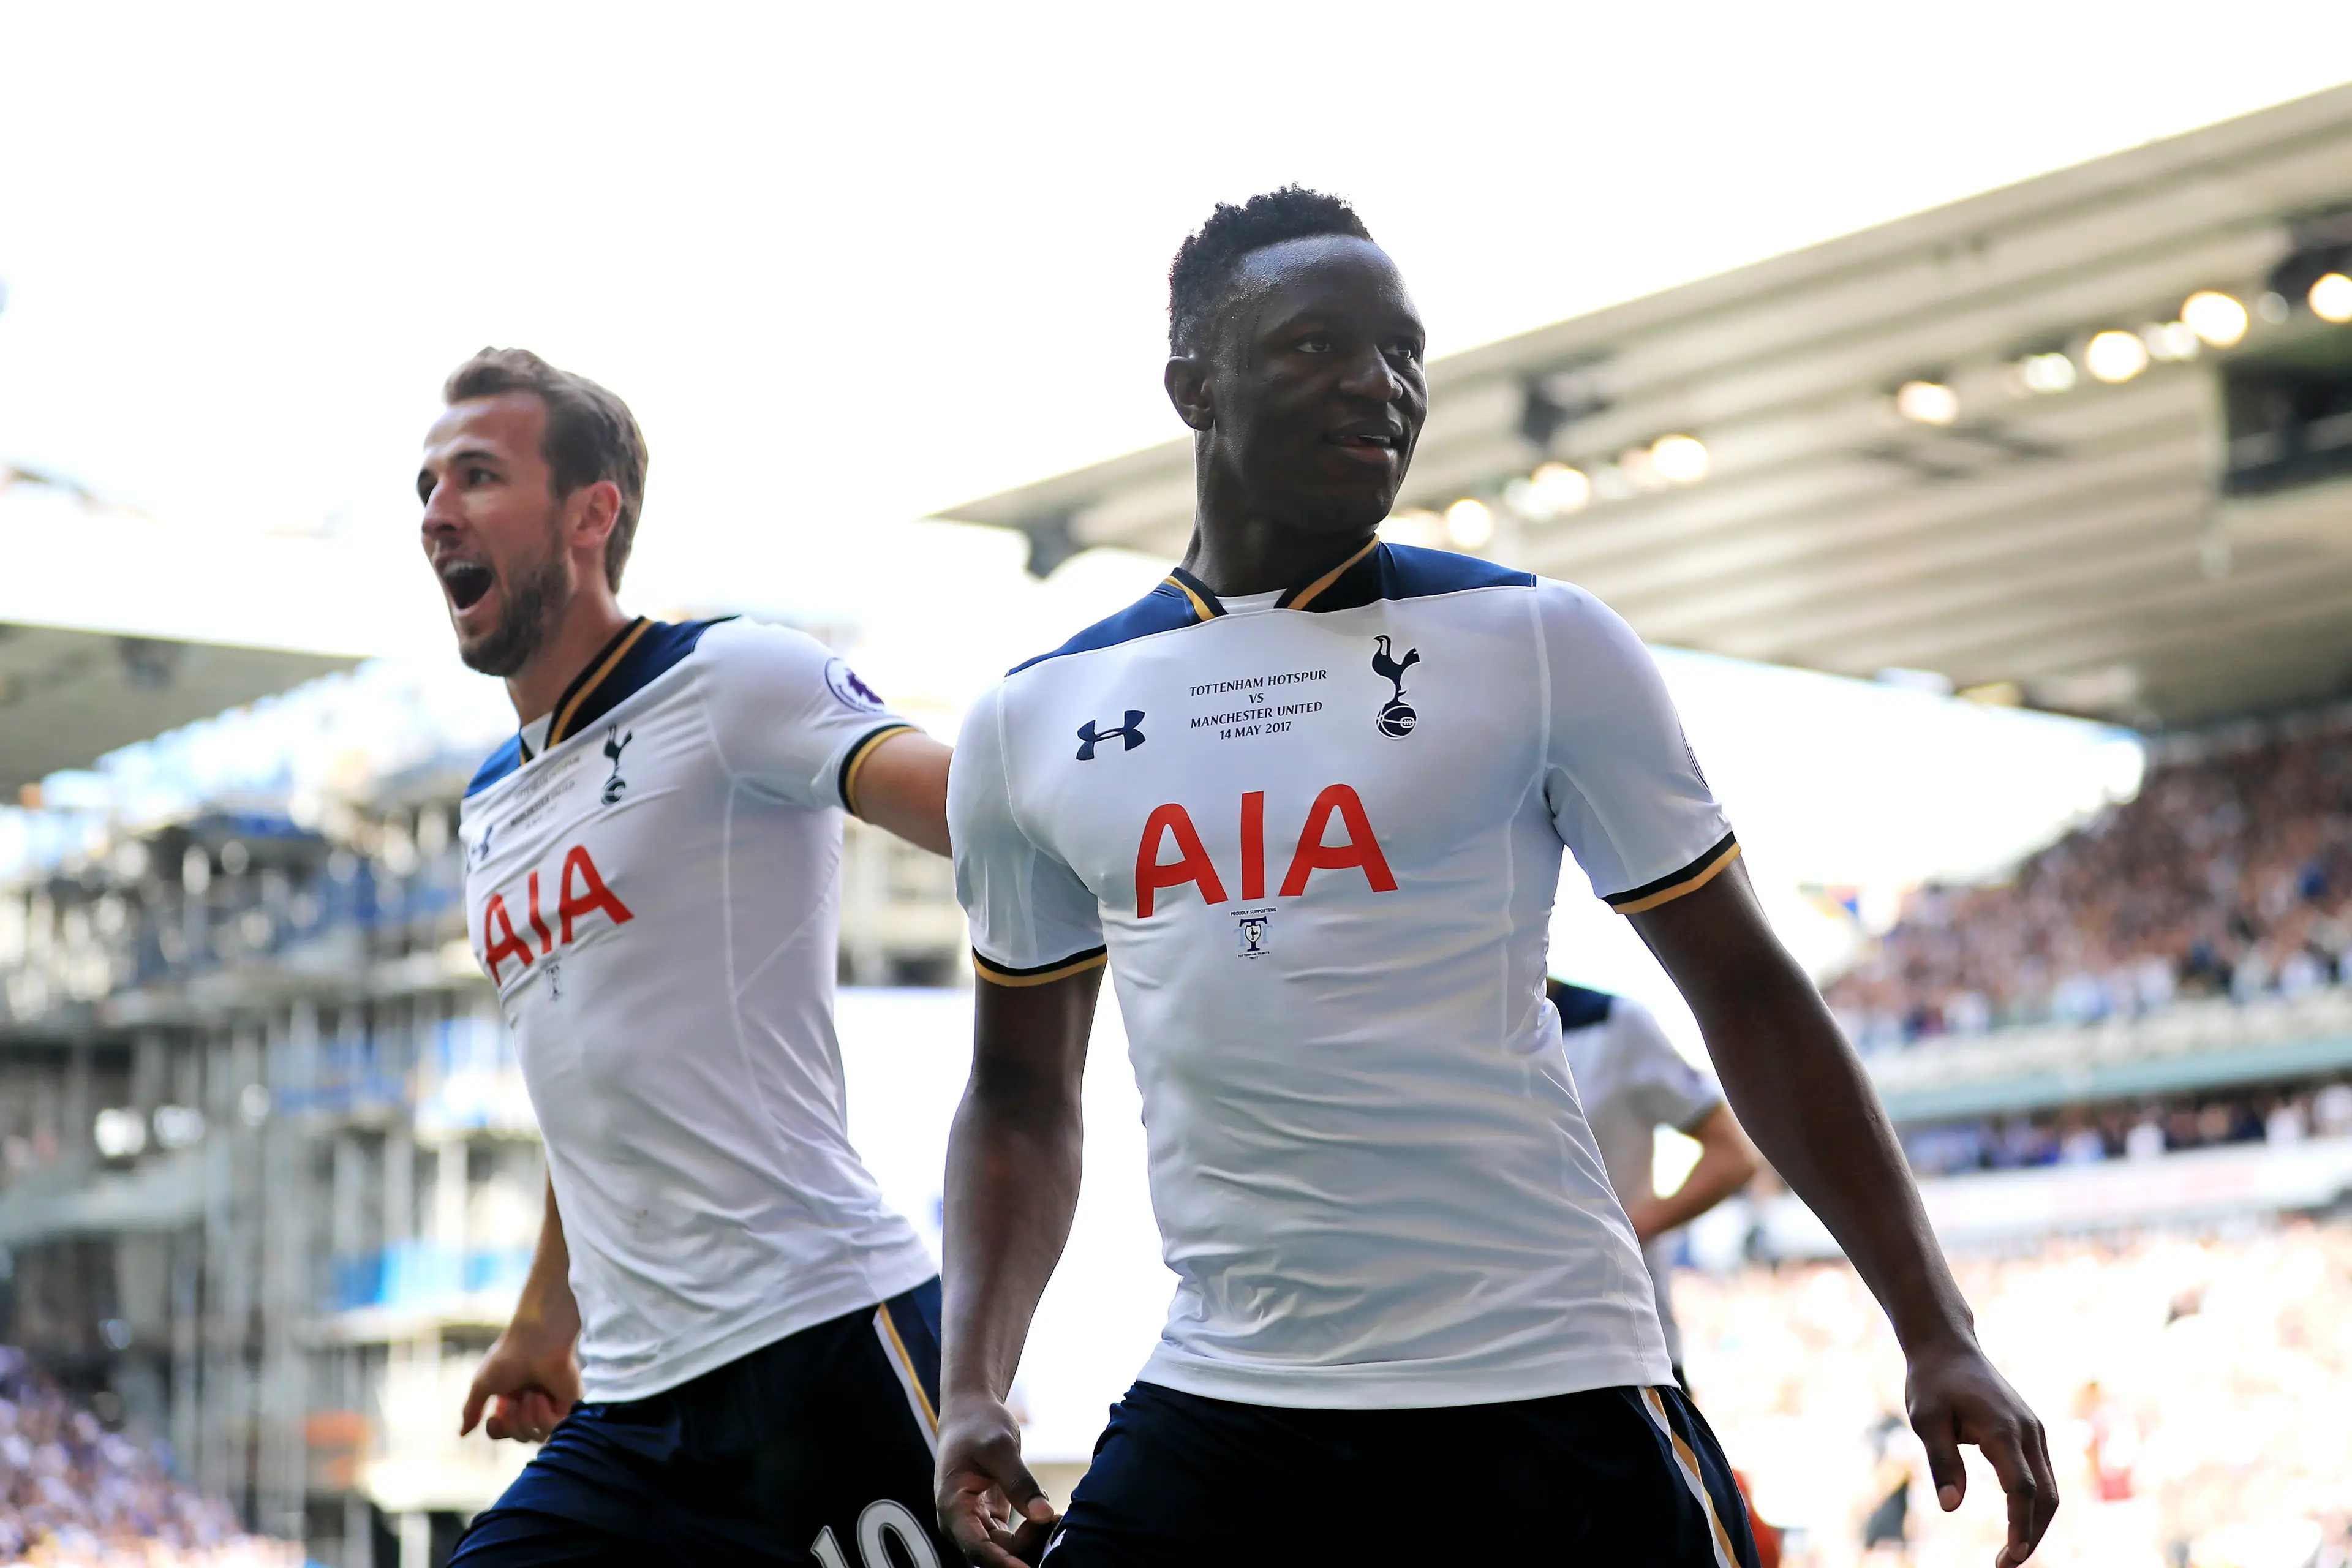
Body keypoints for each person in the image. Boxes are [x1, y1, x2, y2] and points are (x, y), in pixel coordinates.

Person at [935, 190, 2057, 1567]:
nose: (1379, 384)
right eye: (1314, 345)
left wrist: (1934, 1324)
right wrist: (974, 1377)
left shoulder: (1537, 642)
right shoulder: (1034, 716)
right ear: (1193, 387)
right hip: (1231, 1405)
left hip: (1545, 1390)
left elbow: (1751, 992)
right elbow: (1019, 1096)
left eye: (1404, 351)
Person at [420, 348, 959, 1566]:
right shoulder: (490, 802)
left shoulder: (730, 678)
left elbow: (975, 805)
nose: (437, 513)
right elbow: (596, 1068)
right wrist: (543, 1320)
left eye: (478, 476)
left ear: (590, 513)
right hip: (629, 1409)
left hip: (818, 1346)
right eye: (428, 486)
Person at [1548, 979, 1761, 1389]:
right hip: (1493, 1350)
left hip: (1620, 1340)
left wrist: (1618, 1233)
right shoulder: (1447, 1033)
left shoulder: (1615, 1024)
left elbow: (1731, 1155)